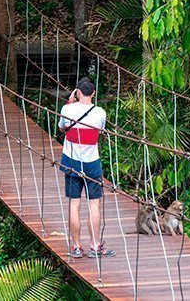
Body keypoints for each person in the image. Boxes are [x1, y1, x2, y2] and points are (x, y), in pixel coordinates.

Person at [58, 77, 115, 259]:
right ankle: (95, 246)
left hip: (72, 161)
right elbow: (102, 131)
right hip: (92, 163)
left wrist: (71, 101)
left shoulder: (67, 109)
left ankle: (75, 246)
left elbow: (61, 128)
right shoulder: (100, 112)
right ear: (94, 94)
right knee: (94, 204)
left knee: (74, 204)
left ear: (78, 92)